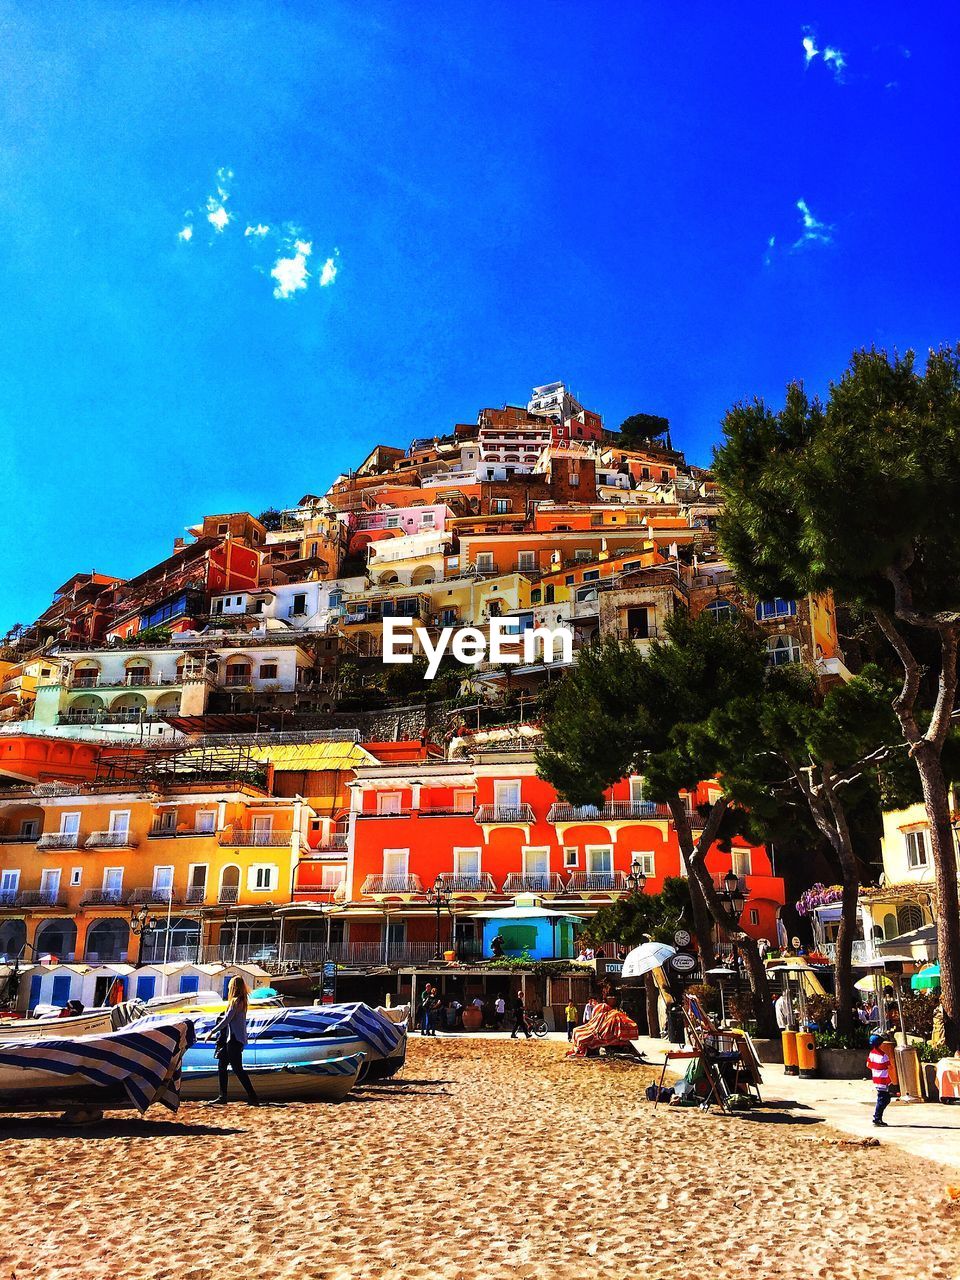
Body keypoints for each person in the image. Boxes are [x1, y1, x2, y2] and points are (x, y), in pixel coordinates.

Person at [208, 976, 258, 1106]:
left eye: (230, 986)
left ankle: (253, 1096)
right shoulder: (243, 1001)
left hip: (234, 1040)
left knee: (237, 1068)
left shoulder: (235, 1002)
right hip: (236, 1039)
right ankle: (222, 1096)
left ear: (233, 987)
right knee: (222, 1064)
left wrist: (212, 1032)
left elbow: (226, 1020)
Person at [867, 1033, 893, 1127]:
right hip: (883, 1080)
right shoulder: (884, 1056)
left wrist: (876, 1069)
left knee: (883, 1098)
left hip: (876, 1079)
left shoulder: (872, 1054)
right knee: (883, 1099)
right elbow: (890, 1067)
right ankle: (877, 1118)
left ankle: (877, 1117)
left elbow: (868, 1065)